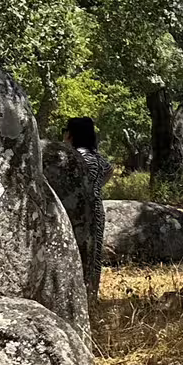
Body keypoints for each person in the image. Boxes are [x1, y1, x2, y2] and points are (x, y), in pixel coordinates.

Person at [45, 116, 114, 297]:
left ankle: (72, 293)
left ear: (72, 133)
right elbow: (109, 171)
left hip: (75, 208)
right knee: (94, 252)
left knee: (74, 251)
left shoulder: (75, 156)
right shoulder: (98, 158)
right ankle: (92, 292)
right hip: (97, 208)